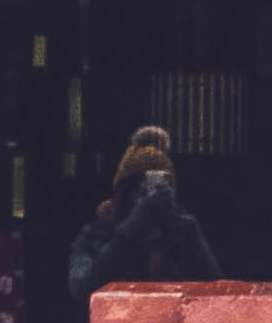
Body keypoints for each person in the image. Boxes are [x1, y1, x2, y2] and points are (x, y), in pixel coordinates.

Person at [67, 125, 219, 301]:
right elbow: (81, 288)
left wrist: (192, 237)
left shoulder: (182, 232)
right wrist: (130, 229)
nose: (148, 199)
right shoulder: (97, 234)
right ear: (124, 194)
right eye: (140, 189)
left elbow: (216, 294)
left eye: (160, 189)